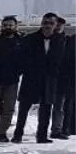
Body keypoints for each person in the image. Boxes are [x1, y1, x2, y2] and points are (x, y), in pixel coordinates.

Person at [12, 14, 66, 144]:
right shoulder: (30, 38)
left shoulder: (60, 39)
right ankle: (18, 134)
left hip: (49, 79)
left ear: (55, 25)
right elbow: (22, 57)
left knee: (46, 108)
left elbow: (61, 59)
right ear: (41, 23)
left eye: (51, 23)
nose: (48, 25)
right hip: (32, 77)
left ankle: (41, 136)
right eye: (45, 22)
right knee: (24, 107)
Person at [0, 16, 24, 141]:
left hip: (11, 80)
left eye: (10, 25)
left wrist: (19, 71)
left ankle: (2, 132)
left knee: (9, 107)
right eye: (5, 25)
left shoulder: (20, 41)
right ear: (1, 26)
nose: (8, 27)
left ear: (15, 26)